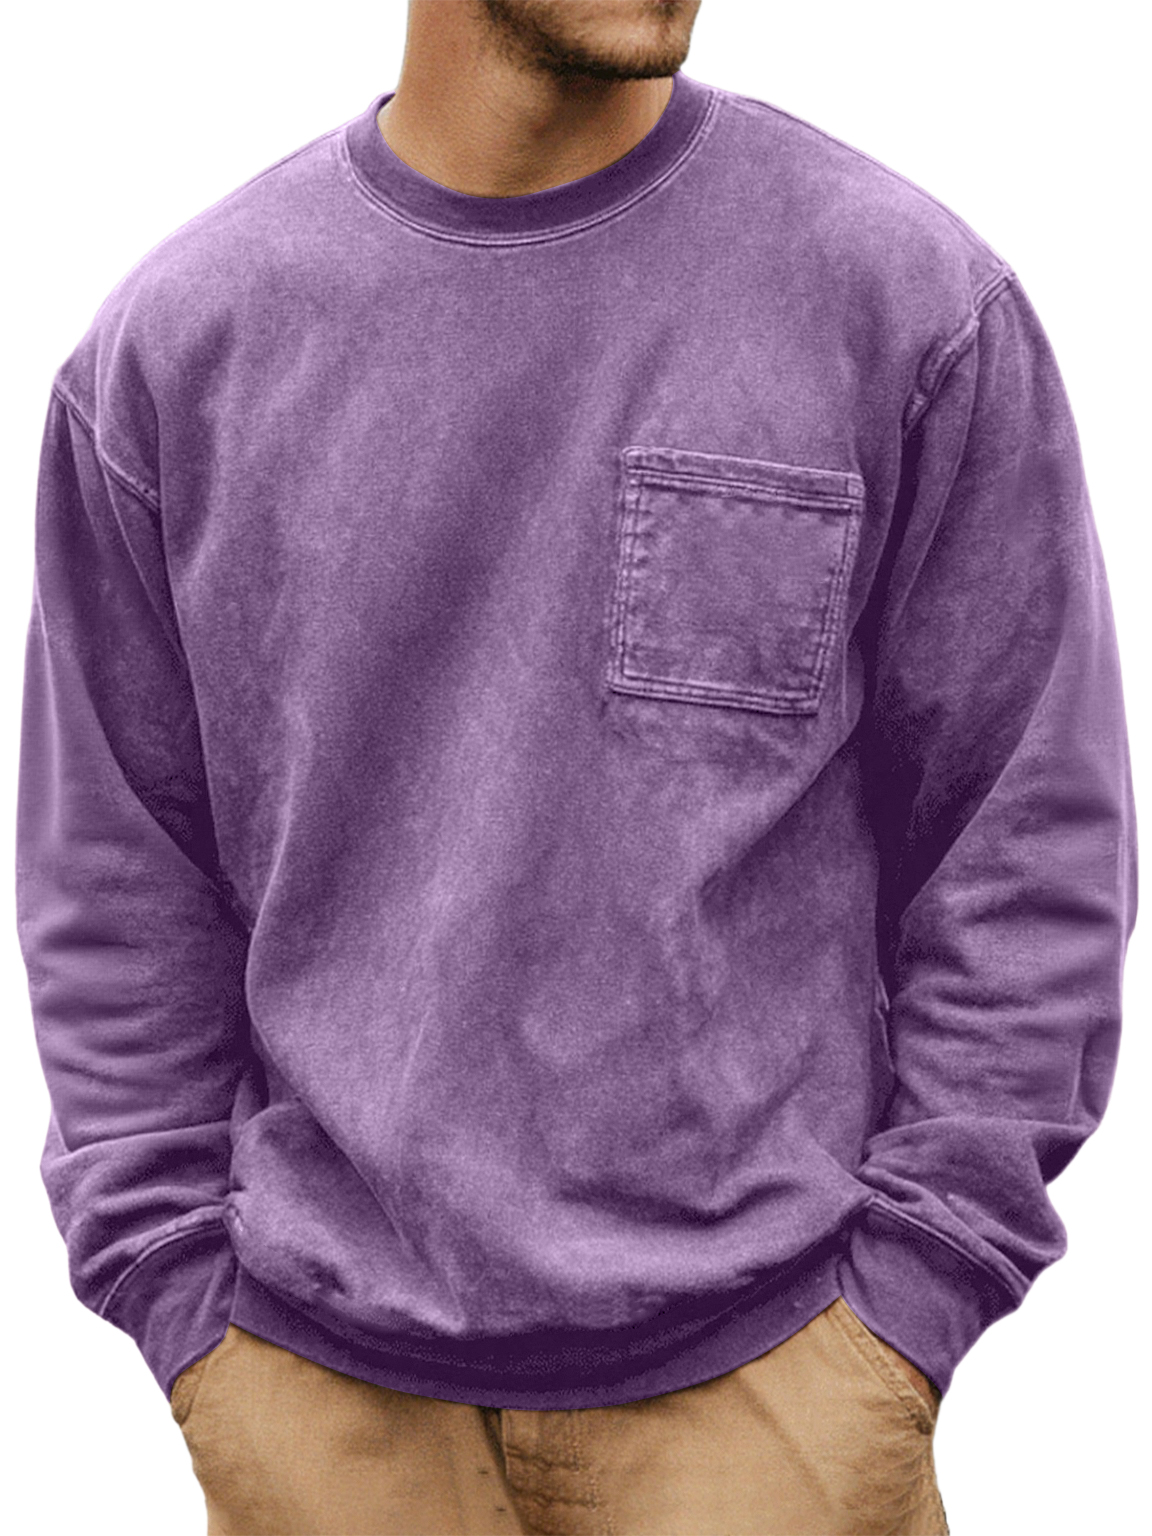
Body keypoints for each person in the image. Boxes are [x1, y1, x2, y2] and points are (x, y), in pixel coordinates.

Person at [13, 0, 1137, 1532]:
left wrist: (913, 1300)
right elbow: (112, 874)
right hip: (326, 1409)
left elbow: (1029, 840)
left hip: (769, 1401)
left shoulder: (904, 304)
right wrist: (183, 1304)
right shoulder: (181, 349)